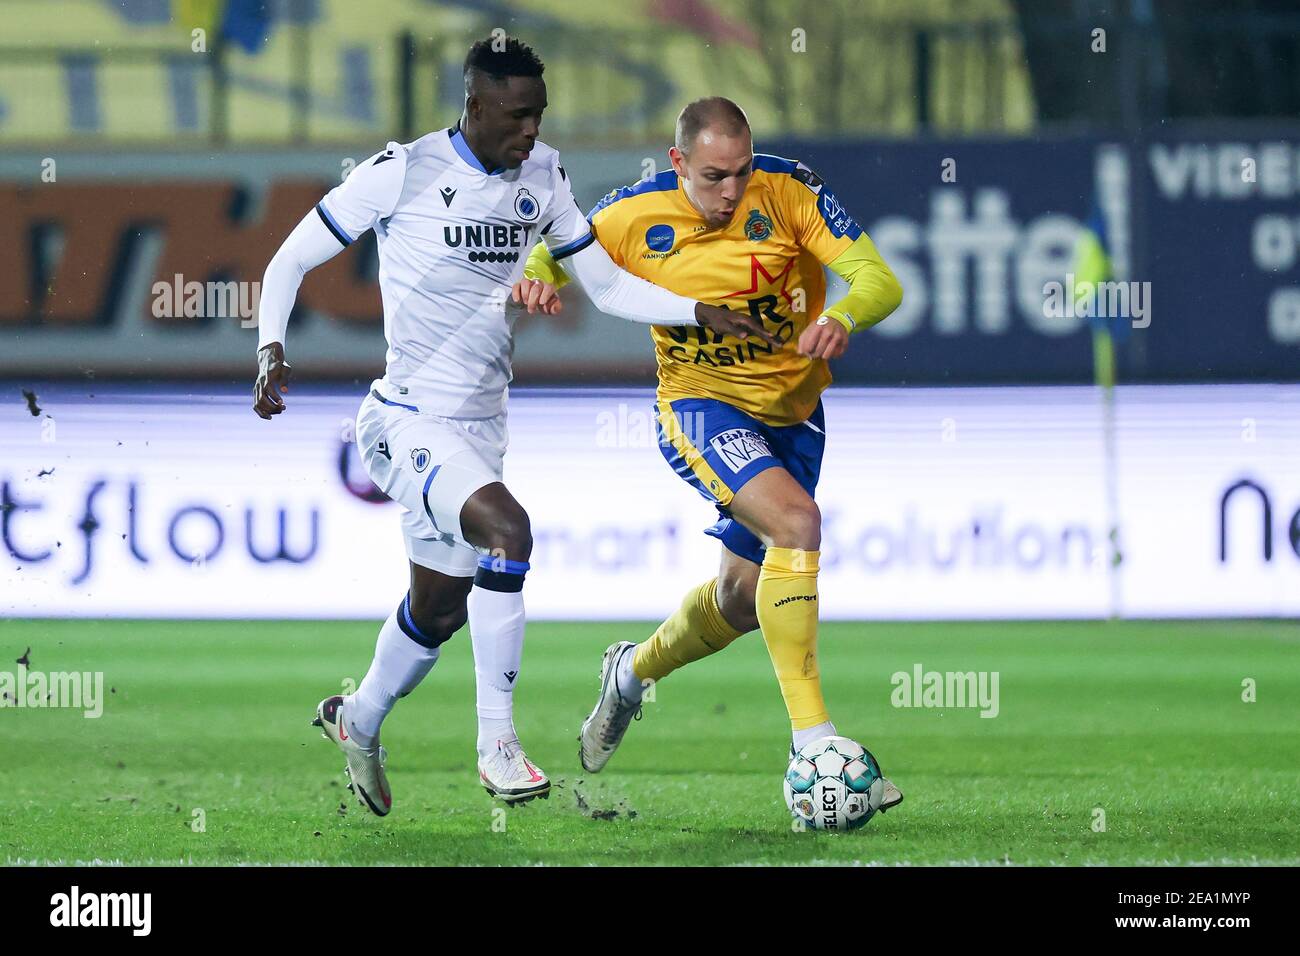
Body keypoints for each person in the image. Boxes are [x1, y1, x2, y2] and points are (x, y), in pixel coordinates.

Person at [252, 47, 775, 813]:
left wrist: (696, 310)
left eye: (540, 114)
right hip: (404, 419)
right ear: (475, 106)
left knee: (437, 610)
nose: (531, 129)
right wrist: (271, 346)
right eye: (517, 115)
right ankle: (497, 743)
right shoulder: (404, 171)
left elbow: (606, 283)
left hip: (481, 427)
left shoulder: (546, 177)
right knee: (508, 532)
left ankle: (356, 719)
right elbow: (290, 258)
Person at [524, 97, 905, 805]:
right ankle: (813, 747)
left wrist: (841, 316)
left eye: (740, 172)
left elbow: (881, 279)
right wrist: (539, 276)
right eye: (712, 176)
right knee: (796, 525)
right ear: (677, 163)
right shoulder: (633, 213)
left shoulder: (790, 190)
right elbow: (554, 246)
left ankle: (630, 674)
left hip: (793, 413)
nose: (731, 191)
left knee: (737, 600)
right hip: (700, 407)